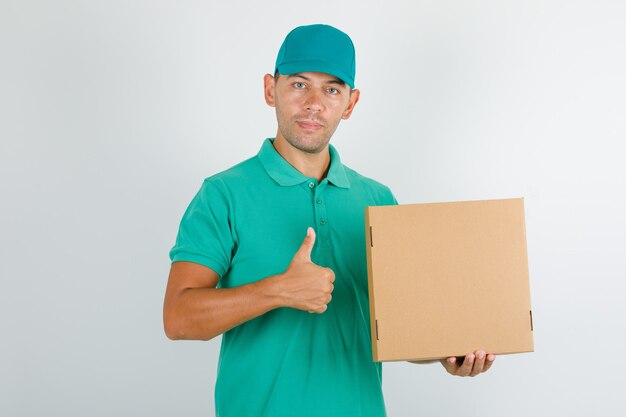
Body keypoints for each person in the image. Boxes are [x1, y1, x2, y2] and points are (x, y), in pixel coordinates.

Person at [163, 24, 495, 417]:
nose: (314, 103)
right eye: (299, 85)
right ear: (271, 90)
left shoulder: (378, 201)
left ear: (350, 103)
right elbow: (178, 318)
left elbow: (398, 328)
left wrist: (446, 351)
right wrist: (277, 291)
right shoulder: (223, 194)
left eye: (332, 89)